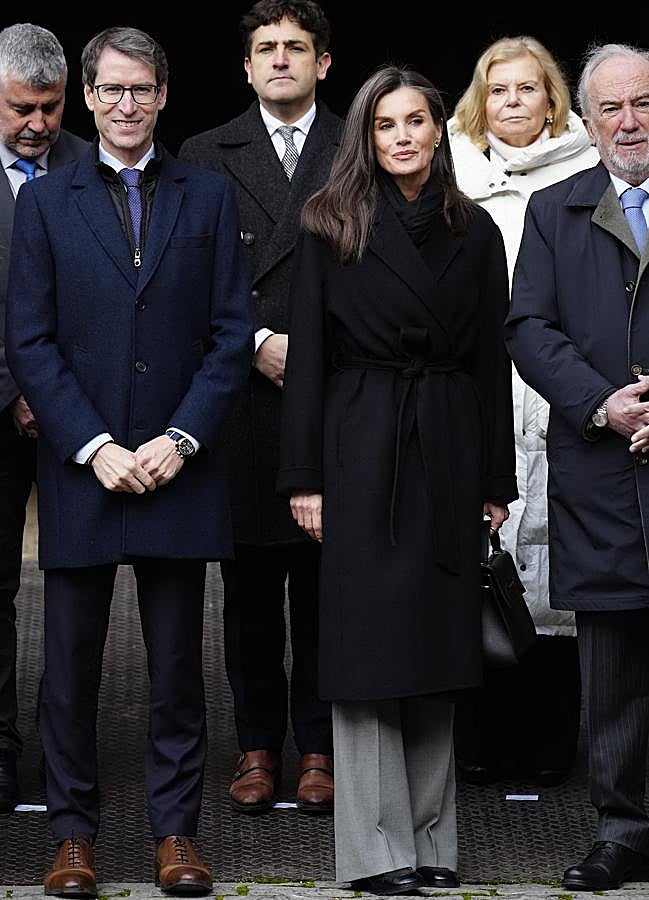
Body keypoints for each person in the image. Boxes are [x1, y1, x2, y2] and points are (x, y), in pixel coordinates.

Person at [5, 25, 254, 897]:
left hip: (175, 469)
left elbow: (231, 337)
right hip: (86, 468)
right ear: (88, 95)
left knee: (179, 673)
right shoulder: (44, 202)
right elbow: (29, 340)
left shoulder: (210, 197)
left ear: (161, 97)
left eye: (139, 90)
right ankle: (73, 837)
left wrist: (180, 439)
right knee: (67, 672)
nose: (124, 106)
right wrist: (96, 444)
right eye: (109, 90)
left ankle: (175, 835)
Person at [276, 64, 517, 895]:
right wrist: (304, 478)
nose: (404, 136)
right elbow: (305, 359)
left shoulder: (474, 232)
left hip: (448, 446)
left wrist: (496, 478)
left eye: (417, 120)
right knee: (368, 651)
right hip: (360, 446)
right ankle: (375, 854)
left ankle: (432, 844)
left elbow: (492, 362)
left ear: (439, 129)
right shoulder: (328, 223)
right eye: (386, 124)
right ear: (366, 138)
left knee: (437, 648)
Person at [179, 0, 340, 815]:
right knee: (245, 591)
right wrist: (254, 343)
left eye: (295, 47)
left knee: (323, 585)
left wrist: (309, 351)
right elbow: (184, 281)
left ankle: (317, 747)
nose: (281, 59)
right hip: (238, 398)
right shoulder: (204, 153)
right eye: (265, 49)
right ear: (244, 66)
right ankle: (255, 746)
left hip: (335, 398)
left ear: (323, 62)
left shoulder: (361, 144)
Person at [505, 42, 649, 892]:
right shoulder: (554, 209)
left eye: (643, 104)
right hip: (599, 473)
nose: (629, 122)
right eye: (612, 109)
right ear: (587, 123)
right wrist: (604, 403)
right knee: (613, 674)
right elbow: (527, 328)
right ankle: (623, 833)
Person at [447, 35, 599, 788]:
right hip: (478, 389)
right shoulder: (447, 171)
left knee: (561, 570)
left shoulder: (589, 169)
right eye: (497, 89)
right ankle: (478, 741)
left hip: (561, 389)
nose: (512, 101)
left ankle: (549, 744)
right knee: (481, 562)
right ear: (480, 99)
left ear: (552, 99)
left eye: (527, 89)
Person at [0, 22, 89, 813]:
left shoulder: (92, 163)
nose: (39, 123)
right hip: (2, 410)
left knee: (71, 590)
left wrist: (55, 394)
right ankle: (0, 753)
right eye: (22, 107)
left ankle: (70, 760)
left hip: (75, 416)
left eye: (52, 107)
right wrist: (15, 386)